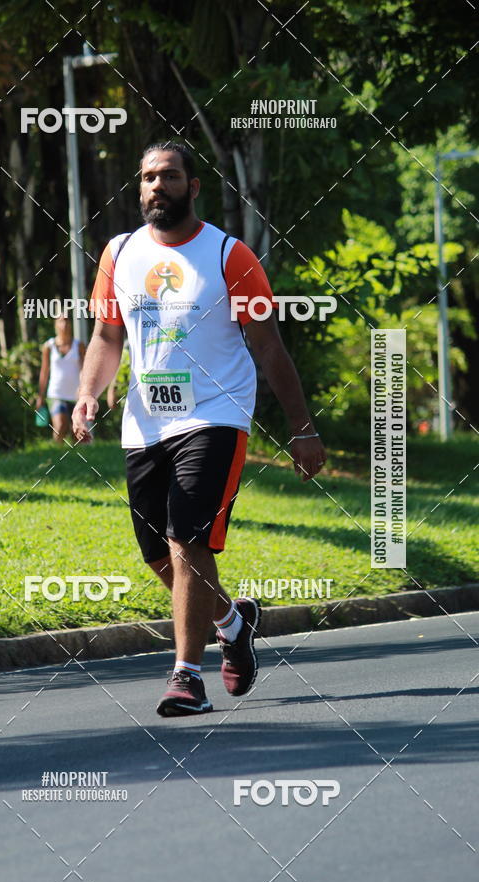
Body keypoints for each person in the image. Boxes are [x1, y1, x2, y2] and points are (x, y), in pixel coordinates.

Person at [72, 142, 326, 716]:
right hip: (145, 423)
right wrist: (88, 394)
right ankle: (234, 624)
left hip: (216, 414)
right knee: (159, 555)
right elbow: (108, 338)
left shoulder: (230, 257)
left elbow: (268, 345)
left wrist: (302, 427)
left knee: (187, 536)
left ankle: (187, 676)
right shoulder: (119, 254)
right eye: (146, 178)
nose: (155, 187)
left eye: (168, 176)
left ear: (193, 186)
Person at [37, 314, 85, 443]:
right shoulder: (49, 346)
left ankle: (72, 459)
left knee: (77, 431)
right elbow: (44, 371)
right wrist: (40, 396)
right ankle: (56, 454)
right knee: (60, 426)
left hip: (76, 395)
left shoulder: (78, 345)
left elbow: (84, 370)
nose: (64, 324)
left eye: (67, 321)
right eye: (60, 321)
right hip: (55, 393)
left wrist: (84, 389)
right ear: (55, 325)